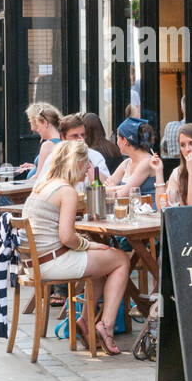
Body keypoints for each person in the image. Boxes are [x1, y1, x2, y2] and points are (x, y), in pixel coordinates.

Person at [21, 140, 132, 355]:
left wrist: (89, 246)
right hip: (52, 263)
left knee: (104, 261)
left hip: (34, 263)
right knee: (120, 259)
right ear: (76, 163)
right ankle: (106, 326)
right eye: (86, 163)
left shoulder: (42, 186)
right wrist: (88, 244)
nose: (89, 168)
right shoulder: (66, 190)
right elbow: (66, 237)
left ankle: (86, 321)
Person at [106, 117, 163, 201]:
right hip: (130, 208)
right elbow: (105, 186)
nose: (116, 142)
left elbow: (123, 195)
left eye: (118, 138)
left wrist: (112, 188)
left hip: (149, 209)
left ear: (125, 141)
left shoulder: (147, 162)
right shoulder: (126, 163)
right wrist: (118, 188)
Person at [58, 114, 111, 185]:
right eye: (75, 136)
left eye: (82, 135)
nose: (80, 139)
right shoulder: (55, 157)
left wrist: (84, 156)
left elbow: (105, 185)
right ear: (63, 137)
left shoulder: (95, 156)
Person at [21, 103, 62, 184]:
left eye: (38, 125)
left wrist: (21, 185)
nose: (38, 130)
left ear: (46, 123)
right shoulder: (62, 141)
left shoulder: (48, 145)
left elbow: (38, 177)